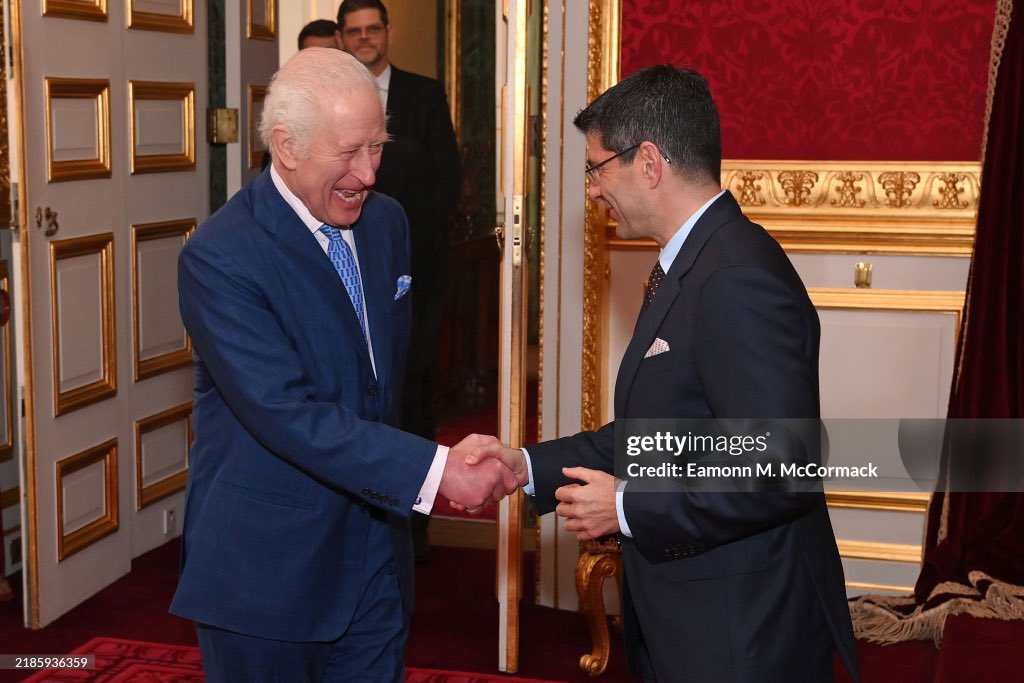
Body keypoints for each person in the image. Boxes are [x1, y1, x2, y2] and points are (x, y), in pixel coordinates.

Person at [468, 66, 861, 682]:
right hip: (698, 614)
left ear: (648, 162)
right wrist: (526, 466)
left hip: (739, 630)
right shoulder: (696, 262)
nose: (592, 191)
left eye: (597, 168)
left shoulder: (734, 277)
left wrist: (627, 507)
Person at [169, 48, 514, 683]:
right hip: (268, 572)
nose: (369, 172)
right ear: (286, 146)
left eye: (377, 146)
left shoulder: (387, 223)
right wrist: (435, 471)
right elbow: (288, 414)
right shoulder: (221, 257)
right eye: (349, 152)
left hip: (377, 559)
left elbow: (382, 385)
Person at [336, 0, 462, 563]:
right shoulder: (330, 102)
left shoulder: (423, 94)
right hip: (346, 269)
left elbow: (447, 181)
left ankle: (415, 526)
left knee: (411, 393)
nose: (364, 38)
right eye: (354, 31)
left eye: (372, 29)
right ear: (343, 37)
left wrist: (402, 242)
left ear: (387, 32)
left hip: (412, 273)